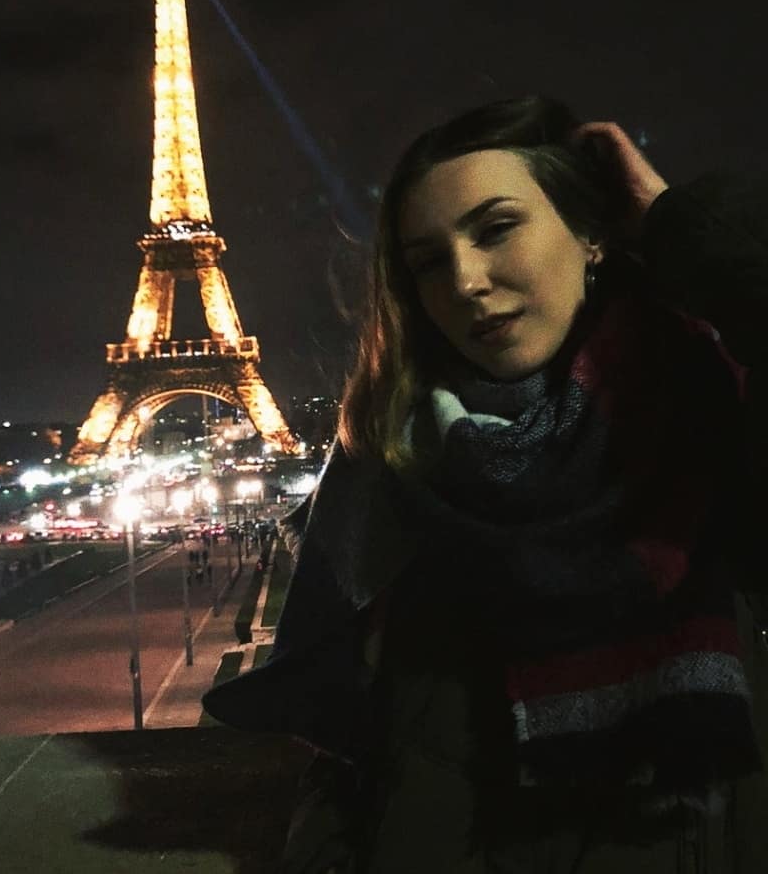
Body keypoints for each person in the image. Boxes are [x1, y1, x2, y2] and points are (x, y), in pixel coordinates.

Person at [203, 96, 767, 873]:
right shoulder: (388, 471)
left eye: (496, 228)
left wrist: (674, 222)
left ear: (593, 233)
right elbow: (351, 752)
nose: (465, 281)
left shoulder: (715, 425)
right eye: (428, 262)